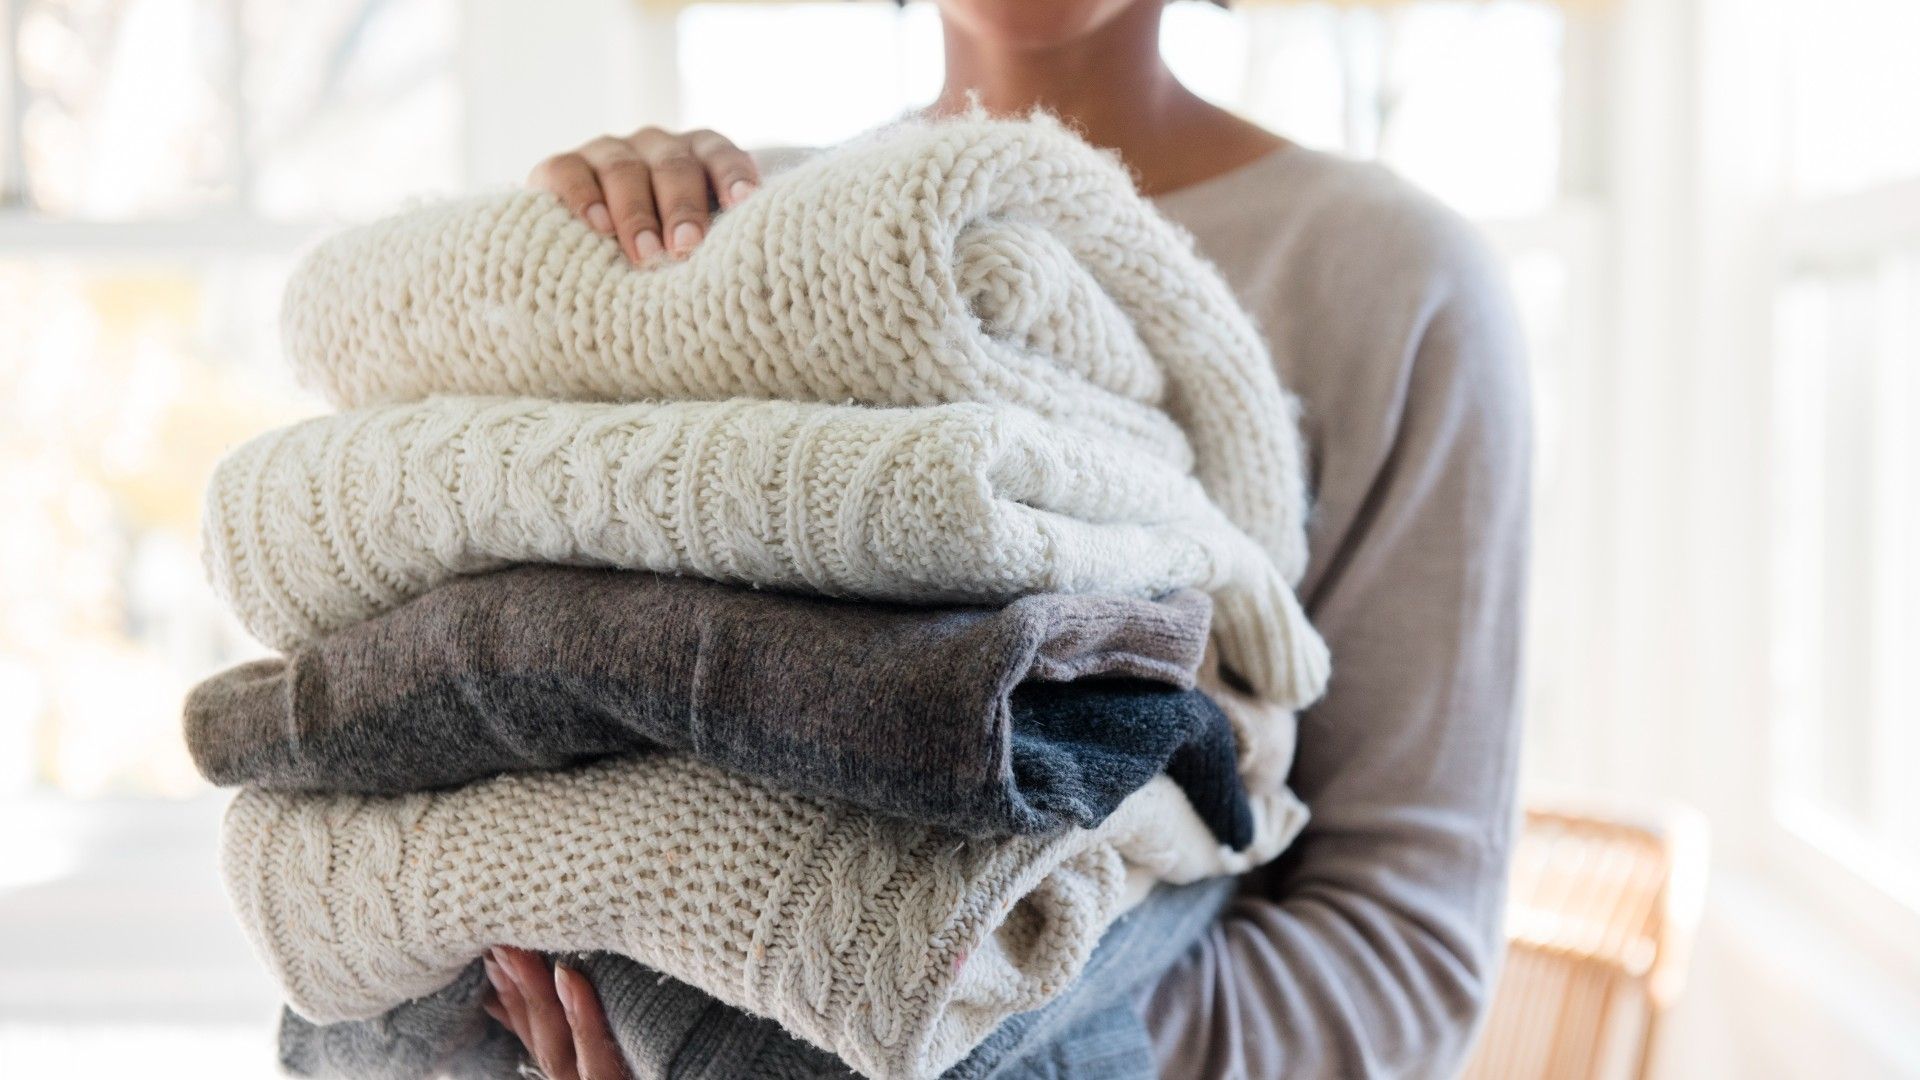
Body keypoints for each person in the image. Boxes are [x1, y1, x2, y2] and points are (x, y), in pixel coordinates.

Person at [480, 0, 1532, 1076]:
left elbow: (1401, 954)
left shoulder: (1392, 277)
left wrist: (962, 1037)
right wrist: (556, 277)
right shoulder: (739, 225)